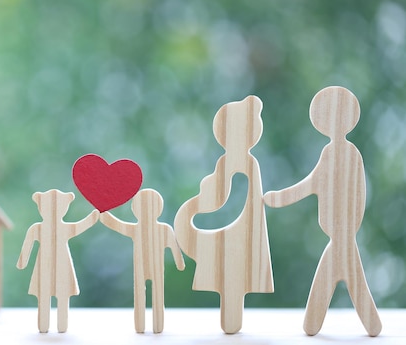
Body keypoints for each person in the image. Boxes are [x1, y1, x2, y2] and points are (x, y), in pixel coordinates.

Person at [264, 86, 382, 337]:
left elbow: (356, 193)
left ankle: (324, 324)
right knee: (350, 277)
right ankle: (367, 325)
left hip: (343, 234)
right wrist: (280, 198)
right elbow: (313, 184)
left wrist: (349, 229)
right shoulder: (331, 153)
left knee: (340, 277)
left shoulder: (349, 154)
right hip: (341, 234)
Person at [174, 95, 273, 334]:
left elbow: (219, 198)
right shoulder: (242, 163)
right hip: (241, 233)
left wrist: (205, 196)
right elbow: (218, 197)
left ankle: (231, 320)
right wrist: (207, 194)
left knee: (232, 275)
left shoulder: (242, 164)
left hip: (241, 235)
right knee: (231, 277)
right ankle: (231, 320)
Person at [100, 189, 185, 333]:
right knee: (143, 295)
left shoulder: (164, 229)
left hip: (155, 269)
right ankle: (141, 325)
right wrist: (102, 213)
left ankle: (155, 325)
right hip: (142, 269)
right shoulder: (147, 229)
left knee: (155, 296)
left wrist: (179, 262)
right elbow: (116, 224)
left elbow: (174, 248)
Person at [17, 189, 99, 333]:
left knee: (62, 295)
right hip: (44, 267)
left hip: (61, 266)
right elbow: (27, 247)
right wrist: (22, 262)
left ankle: (61, 326)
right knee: (44, 296)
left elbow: (80, 226)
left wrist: (94, 215)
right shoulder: (37, 228)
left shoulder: (59, 228)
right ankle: (45, 325)